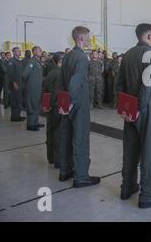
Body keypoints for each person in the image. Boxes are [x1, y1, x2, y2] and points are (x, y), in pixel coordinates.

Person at [117, 23, 151, 209]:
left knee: (130, 148)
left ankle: (127, 187)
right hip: (145, 109)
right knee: (149, 150)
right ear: (148, 36)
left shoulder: (128, 55)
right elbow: (147, 85)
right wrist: (140, 107)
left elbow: (120, 84)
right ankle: (148, 194)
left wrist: (127, 109)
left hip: (130, 109)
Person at [58, 26, 100, 187]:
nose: (90, 40)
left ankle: (65, 170)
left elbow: (62, 81)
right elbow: (75, 82)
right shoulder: (82, 57)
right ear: (81, 38)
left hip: (67, 101)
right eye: (88, 37)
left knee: (67, 135)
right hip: (77, 103)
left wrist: (63, 102)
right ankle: (81, 175)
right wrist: (71, 102)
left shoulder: (68, 56)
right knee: (80, 137)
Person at [44, 52, 64, 168]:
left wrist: (47, 105)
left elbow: (45, 90)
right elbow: (57, 93)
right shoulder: (59, 73)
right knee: (58, 134)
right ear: (60, 61)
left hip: (50, 107)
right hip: (56, 107)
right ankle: (58, 160)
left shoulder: (51, 72)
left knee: (50, 132)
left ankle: (50, 157)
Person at [22, 46, 44, 131]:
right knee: (32, 105)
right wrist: (29, 83)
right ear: (34, 52)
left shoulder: (37, 62)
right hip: (32, 88)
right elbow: (24, 74)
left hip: (38, 88)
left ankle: (35, 122)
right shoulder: (31, 62)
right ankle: (30, 124)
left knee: (37, 104)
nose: (41, 51)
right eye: (39, 50)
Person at [7, 47, 25, 121]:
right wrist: (14, 83)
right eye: (17, 51)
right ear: (13, 53)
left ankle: (18, 115)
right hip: (15, 84)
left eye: (20, 51)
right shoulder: (12, 61)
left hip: (20, 83)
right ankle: (14, 117)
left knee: (19, 100)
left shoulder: (19, 61)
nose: (19, 52)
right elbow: (10, 73)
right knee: (15, 100)